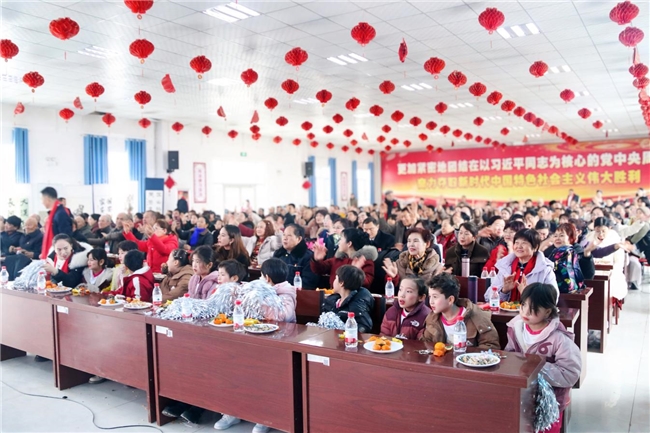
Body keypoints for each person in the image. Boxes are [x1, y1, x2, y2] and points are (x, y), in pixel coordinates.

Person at [505, 283, 581, 433]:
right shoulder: (516, 329)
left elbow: (570, 374)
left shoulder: (559, 339)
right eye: (523, 305)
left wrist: (535, 367)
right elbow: (510, 355)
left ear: (547, 311)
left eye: (533, 308)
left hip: (550, 403)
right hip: (522, 398)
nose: (525, 312)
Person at [421, 273, 500, 349]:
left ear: (450, 300)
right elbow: (425, 344)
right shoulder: (432, 318)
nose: (431, 301)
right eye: (430, 296)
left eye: (435, 297)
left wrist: (471, 356)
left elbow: (491, 345)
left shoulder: (477, 316)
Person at [484, 229, 558, 303]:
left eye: (524, 243)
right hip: (507, 310)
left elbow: (553, 298)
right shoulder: (506, 266)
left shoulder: (544, 269)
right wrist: (504, 291)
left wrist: (526, 294)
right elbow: (487, 297)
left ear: (535, 247)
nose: (519, 246)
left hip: (532, 310)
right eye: (516, 243)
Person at [311, 228, 377, 289]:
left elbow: (366, 283)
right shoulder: (338, 259)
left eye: (341, 239)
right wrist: (316, 260)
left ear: (349, 243)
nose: (338, 242)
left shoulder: (365, 261)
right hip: (334, 295)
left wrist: (355, 272)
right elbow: (320, 269)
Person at [585, 217, 628, 300]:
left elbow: (619, 262)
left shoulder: (615, 238)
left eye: (603, 231)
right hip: (592, 270)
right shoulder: (589, 238)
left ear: (609, 228)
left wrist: (611, 272)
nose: (600, 234)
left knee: (612, 284)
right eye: (598, 231)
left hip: (610, 271)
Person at [322, 265, 374, 333]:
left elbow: (363, 326)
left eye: (335, 278)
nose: (333, 282)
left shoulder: (357, 303)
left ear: (341, 283)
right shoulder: (333, 300)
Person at [544, 222, 593, 293]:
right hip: (570, 289)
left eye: (561, 235)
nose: (557, 238)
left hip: (561, 290)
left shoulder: (566, 251)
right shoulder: (560, 250)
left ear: (570, 238)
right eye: (555, 236)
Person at [272, 224, 319, 289]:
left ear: (299, 239)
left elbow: (308, 283)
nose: (285, 238)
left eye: (289, 236)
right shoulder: (278, 254)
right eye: (284, 235)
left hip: (296, 293)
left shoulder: (307, 257)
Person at [260, 258, 297, 323]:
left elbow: (286, 317)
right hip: (269, 325)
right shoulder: (265, 291)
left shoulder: (286, 293)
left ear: (267, 278)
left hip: (285, 328)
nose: (260, 278)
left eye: (261, 276)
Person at [40, 187, 73, 259]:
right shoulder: (55, 213)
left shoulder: (60, 214)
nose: (42, 202)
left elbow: (65, 236)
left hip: (60, 254)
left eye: (42, 199)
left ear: (47, 199)